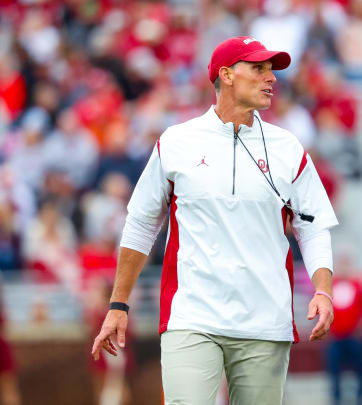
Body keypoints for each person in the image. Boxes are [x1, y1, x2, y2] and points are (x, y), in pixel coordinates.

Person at [91, 36, 339, 405]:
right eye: (258, 69)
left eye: (271, 70)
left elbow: (313, 225)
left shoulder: (289, 147)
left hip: (266, 321)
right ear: (226, 75)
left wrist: (322, 289)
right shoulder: (177, 141)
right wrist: (118, 304)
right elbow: (141, 225)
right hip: (191, 316)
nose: (270, 78)